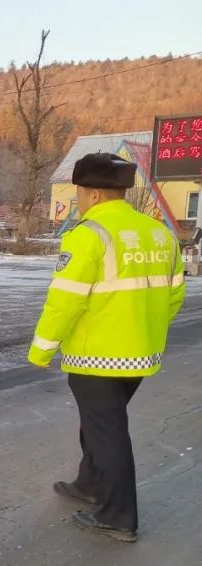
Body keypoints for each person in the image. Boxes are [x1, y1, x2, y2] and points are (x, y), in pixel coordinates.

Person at [28, 152, 186, 542]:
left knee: (108, 431)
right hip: (140, 354)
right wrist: (146, 329)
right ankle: (89, 483)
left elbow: (65, 299)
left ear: (93, 195)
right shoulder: (160, 232)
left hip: (96, 356)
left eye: (79, 192)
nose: (78, 199)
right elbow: (175, 294)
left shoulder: (89, 235)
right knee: (100, 423)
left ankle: (118, 516)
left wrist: (42, 349)